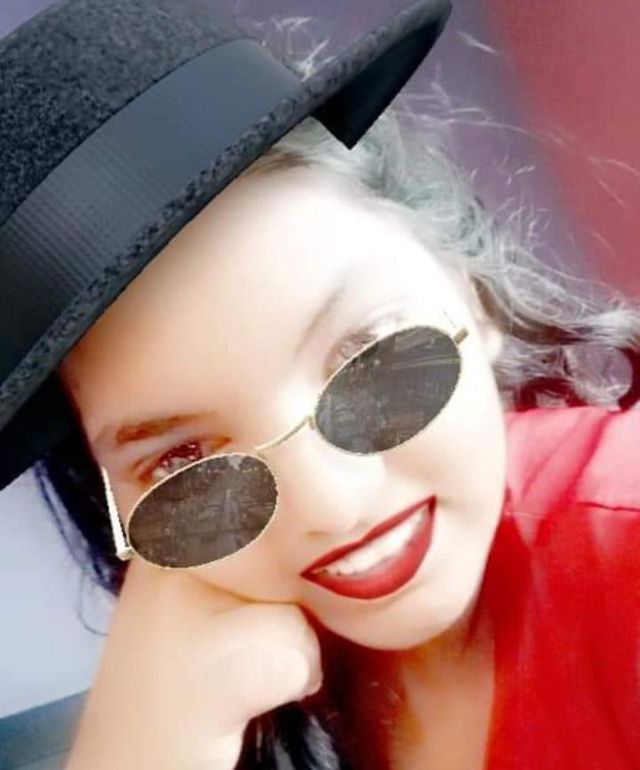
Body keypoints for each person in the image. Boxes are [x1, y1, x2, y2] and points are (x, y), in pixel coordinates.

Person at [1, 2, 639, 769]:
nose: (332, 507)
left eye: (364, 356)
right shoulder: (218, 696)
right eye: (184, 462)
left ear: (469, 288)